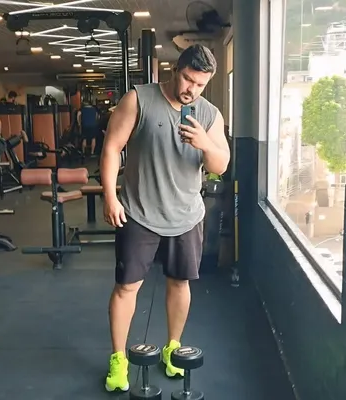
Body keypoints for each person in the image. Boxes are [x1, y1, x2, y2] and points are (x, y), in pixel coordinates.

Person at [100, 44, 231, 392]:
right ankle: (118, 359)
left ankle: (173, 348)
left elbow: (220, 165)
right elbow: (112, 147)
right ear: (176, 69)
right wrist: (110, 196)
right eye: (188, 79)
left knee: (179, 282)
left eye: (200, 84)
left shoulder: (209, 115)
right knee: (127, 287)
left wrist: (205, 144)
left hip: (186, 216)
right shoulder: (138, 99)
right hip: (139, 212)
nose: (192, 89)